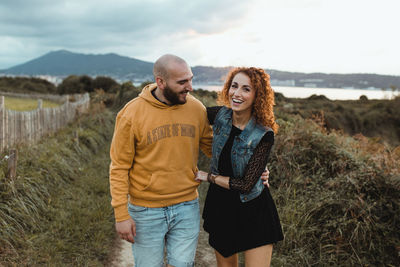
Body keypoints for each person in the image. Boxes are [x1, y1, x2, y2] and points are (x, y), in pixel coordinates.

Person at [109, 54, 213, 267]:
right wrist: (121, 214)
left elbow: (214, 149)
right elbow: (119, 167)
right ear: (161, 82)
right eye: (182, 82)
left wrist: (252, 166)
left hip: (187, 205)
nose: (190, 87)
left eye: (190, 79)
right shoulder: (131, 114)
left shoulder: (196, 108)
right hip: (146, 210)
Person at [196, 67, 284, 267]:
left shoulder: (263, 134)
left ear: (257, 96)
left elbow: (246, 185)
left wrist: (208, 177)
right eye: (234, 86)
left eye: (246, 89)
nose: (237, 93)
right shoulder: (220, 115)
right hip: (222, 208)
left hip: (254, 209)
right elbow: (189, 112)